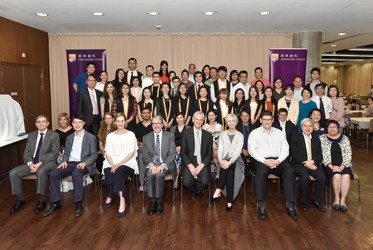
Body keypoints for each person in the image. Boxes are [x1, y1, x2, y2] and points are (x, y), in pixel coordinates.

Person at [44, 114, 98, 218]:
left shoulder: (90, 137)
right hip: (70, 163)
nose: (77, 125)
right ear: (72, 124)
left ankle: (78, 203)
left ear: (83, 123)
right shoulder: (69, 137)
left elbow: (94, 155)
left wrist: (85, 163)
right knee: (54, 174)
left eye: (79, 122)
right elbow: (67, 153)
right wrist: (64, 161)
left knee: (76, 173)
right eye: (75, 122)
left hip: (84, 163)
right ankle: (56, 203)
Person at [248, 110, 298, 220]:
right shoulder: (254, 133)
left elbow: (286, 148)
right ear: (260, 120)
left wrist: (279, 160)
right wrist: (264, 161)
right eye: (264, 119)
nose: (267, 121)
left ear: (272, 120)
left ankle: (290, 205)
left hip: (278, 161)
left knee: (289, 171)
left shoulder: (279, 132)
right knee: (260, 173)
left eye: (269, 119)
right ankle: (261, 205)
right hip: (261, 161)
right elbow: (252, 151)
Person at [9, 115, 60, 214]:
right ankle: (20, 199)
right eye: (39, 122)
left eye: (43, 121)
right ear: (36, 124)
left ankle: (42, 200)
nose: (41, 123)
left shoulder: (54, 135)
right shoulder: (31, 135)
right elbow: (27, 152)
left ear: (47, 123)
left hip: (48, 163)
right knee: (13, 172)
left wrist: (40, 162)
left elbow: (55, 153)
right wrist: (30, 163)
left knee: (41, 171)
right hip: (32, 163)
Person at [101, 113, 138, 217]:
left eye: (122, 121)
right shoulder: (110, 136)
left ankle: (122, 200)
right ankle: (110, 194)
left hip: (127, 161)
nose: (120, 123)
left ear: (125, 122)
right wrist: (113, 164)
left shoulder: (131, 134)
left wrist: (118, 165)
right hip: (111, 161)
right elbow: (107, 153)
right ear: (115, 122)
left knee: (118, 172)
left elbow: (131, 153)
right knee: (109, 179)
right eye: (118, 121)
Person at [290, 118, 326, 212]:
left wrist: (313, 162)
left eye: (310, 126)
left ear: (313, 127)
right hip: (299, 164)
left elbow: (320, 155)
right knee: (305, 177)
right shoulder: (295, 137)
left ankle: (317, 200)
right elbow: (293, 153)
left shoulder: (316, 139)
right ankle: (304, 202)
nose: (307, 128)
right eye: (305, 126)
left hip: (313, 163)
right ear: (301, 127)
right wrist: (307, 163)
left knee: (322, 177)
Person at [142, 115, 176, 215]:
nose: (156, 125)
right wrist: (151, 165)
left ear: (162, 125)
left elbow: (172, 154)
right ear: (151, 125)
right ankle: (152, 202)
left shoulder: (170, 136)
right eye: (154, 123)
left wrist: (162, 166)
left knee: (159, 175)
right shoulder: (146, 137)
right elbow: (145, 155)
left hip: (166, 164)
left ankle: (159, 200)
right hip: (152, 164)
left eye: (158, 123)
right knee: (150, 174)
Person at [211, 113, 244, 211]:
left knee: (230, 167)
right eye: (229, 121)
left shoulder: (240, 135)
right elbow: (220, 149)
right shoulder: (222, 134)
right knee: (229, 172)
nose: (231, 123)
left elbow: (238, 152)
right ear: (226, 123)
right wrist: (221, 161)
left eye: (233, 121)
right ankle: (229, 201)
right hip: (223, 160)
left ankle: (218, 190)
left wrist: (229, 162)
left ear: (237, 122)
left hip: (236, 160)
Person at [320, 120, 353, 212]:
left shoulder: (345, 138)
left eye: (334, 127)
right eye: (330, 127)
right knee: (337, 175)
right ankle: (336, 199)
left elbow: (348, 154)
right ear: (327, 128)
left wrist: (342, 166)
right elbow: (323, 155)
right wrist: (332, 166)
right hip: (328, 165)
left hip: (344, 164)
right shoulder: (322, 138)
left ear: (338, 128)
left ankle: (343, 200)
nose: (332, 129)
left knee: (346, 176)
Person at [181, 111, 213, 198]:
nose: (198, 122)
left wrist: (201, 165)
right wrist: (190, 165)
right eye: (197, 119)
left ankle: (197, 190)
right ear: (193, 120)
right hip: (190, 161)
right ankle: (195, 190)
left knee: (204, 181)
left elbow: (210, 154)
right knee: (186, 182)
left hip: (202, 161)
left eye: (201, 120)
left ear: (203, 121)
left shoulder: (208, 135)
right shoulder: (186, 133)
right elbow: (183, 153)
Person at [133, 107, 153, 191]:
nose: (145, 114)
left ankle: (142, 184)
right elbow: (135, 141)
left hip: (152, 149)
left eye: (147, 112)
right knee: (141, 154)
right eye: (144, 113)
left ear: (150, 114)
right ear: (141, 114)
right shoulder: (137, 126)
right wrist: (144, 144)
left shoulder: (154, 126)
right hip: (140, 148)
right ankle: (143, 182)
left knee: (141, 157)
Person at [170, 112, 190, 188]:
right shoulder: (172, 128)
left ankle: (176, 179)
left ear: (184, 118)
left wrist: (181, 147)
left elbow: (190, 142)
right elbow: (170, 141)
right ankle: (177, 177)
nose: (179, 119)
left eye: (181, 117)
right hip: (174, 150)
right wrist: (174, 148)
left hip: (185, 150)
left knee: (179, 156)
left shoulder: (188, 128)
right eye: (177, 118)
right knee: (177, 155)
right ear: (176, 119)